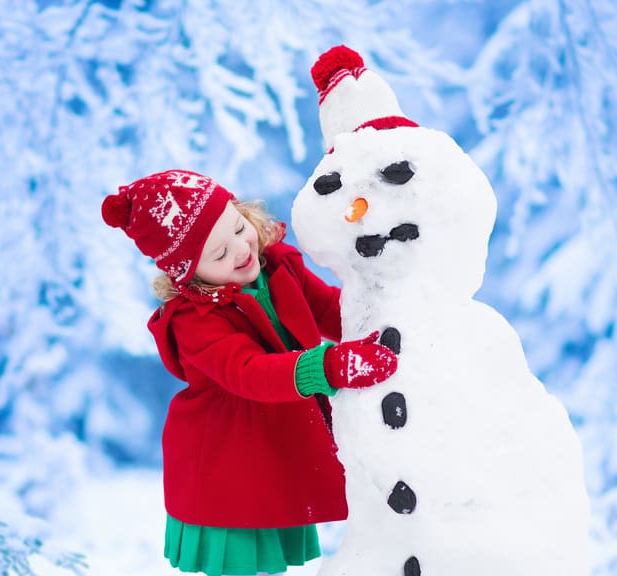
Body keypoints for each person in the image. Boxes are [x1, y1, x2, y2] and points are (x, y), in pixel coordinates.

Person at [101, 169, 398, 575]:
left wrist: (380, 318)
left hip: (271, 441)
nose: (241, 250)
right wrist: (330, 366)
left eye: (240, 228)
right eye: (219, 255)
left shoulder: (275, 265)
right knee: (238, 560)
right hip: (226, 461)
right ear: (188, 273)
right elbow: (250, 372)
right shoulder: (194, 320)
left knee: (272, 554)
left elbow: (328, 307)